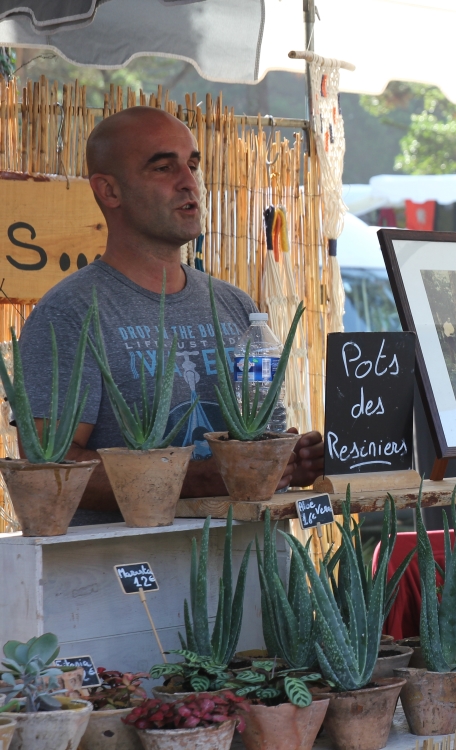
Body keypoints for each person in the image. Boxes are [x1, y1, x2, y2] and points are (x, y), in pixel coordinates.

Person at [17, 106, 325, 524]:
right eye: (163, 168)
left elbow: (262, 434)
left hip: (255, 557)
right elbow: (46, 469)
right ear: (109, 191)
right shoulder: (69, 314)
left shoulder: (236, 306)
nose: (189, 182)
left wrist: (289, 460)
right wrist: (199, 479)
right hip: (136, 562)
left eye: (192, 165)